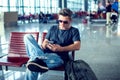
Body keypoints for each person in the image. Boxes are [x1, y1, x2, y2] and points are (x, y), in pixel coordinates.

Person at [24, 8, 81, 80]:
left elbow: (77, 45)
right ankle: (38, 58)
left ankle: (36, 59)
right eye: (60, 21)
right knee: (27, 37)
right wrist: (46, 44)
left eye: (65, 22)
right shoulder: (53, 28)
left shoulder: (74, 31)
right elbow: (45, 42)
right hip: (44, 54)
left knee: (32, 65)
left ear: (70, 21)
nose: (62, 24)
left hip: (58, 57)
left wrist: (61, 49)